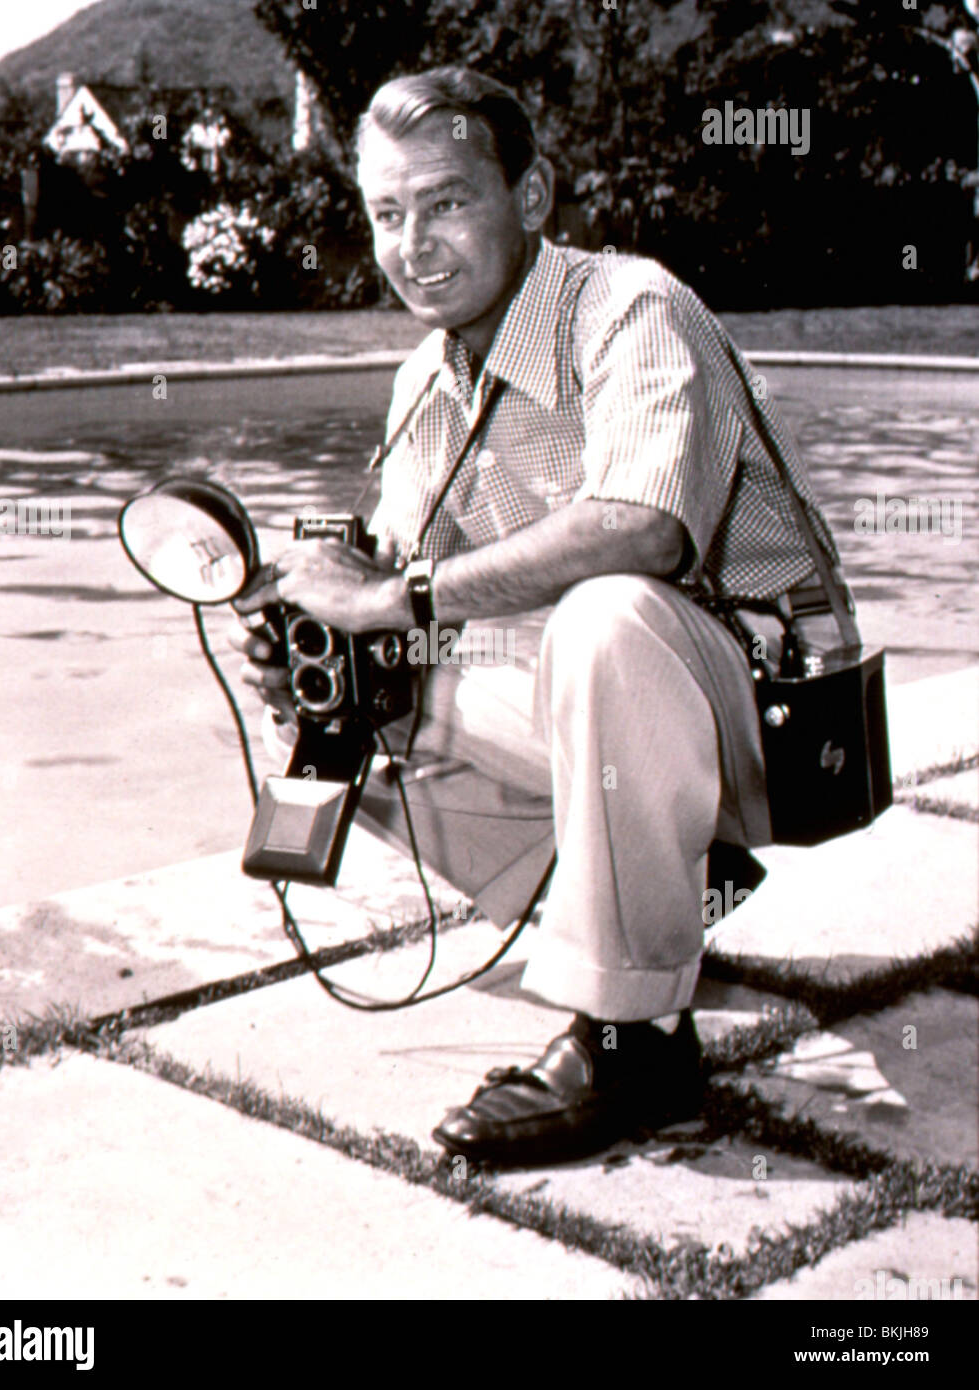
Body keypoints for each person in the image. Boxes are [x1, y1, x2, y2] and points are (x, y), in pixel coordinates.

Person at [231, 66, 857, 1166]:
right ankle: (652, 890)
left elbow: (642, 530)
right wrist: (318, 642)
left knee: (604, 615)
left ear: (532, 195)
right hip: (630, 717)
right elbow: (400, 605)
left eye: (448, 201)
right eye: (387, 213)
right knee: (350, 711)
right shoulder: (426, 377)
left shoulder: (631, 306)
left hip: (779, 720)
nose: (413, 244)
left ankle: (635, 1043)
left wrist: (392, 597)